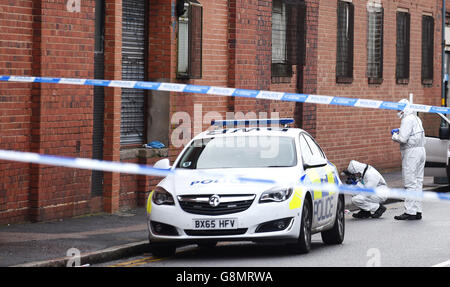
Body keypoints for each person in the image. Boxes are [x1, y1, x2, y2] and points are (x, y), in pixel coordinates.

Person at [391, 98, 426, 220]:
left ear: (403, 109)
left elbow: (403, 139)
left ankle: (410, 211)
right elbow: (413, 133)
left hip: (412, 153)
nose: (397, 111)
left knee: (410, 182)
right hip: (421, 151)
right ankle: (417, 210)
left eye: (399, 109)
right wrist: (400, 131)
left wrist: (395, 136)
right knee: (418, 182)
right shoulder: (416, 118)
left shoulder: (406, 119)